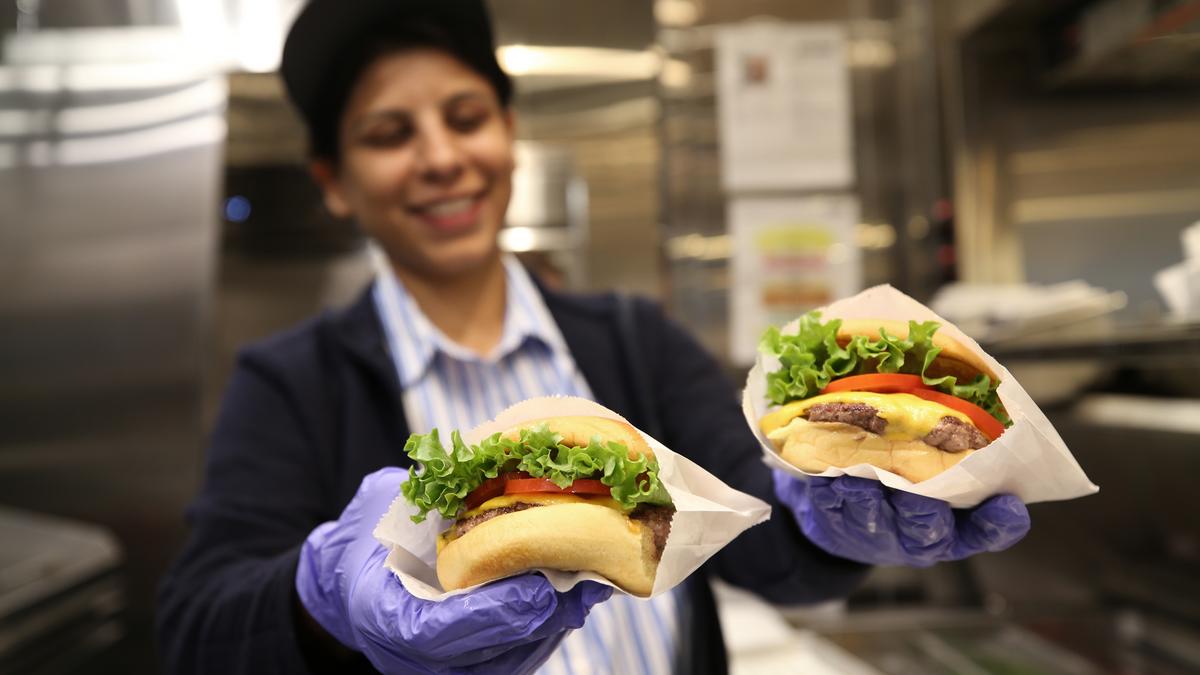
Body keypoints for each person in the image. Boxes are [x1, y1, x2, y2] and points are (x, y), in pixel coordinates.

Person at [155, 1, 1031, 673]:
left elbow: (758, 534)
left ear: (507, 134)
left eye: (465, 117)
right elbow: (194, 628)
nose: (439, 157)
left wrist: (829, 525)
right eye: (389, 135)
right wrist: (320, 595)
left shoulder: (632, 339)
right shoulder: (291, 379)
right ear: (335, 184)